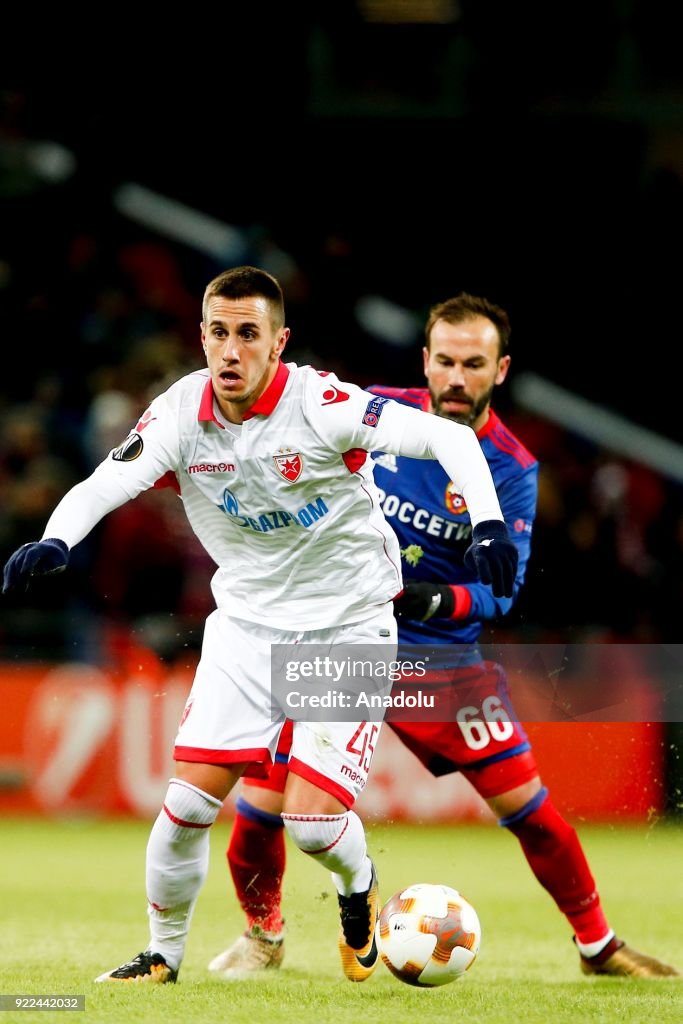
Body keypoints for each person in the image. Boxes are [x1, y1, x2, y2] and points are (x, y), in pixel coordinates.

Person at [1, 267, 519, 985]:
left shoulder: (323, 404)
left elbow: (449, 441)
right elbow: (103, 484)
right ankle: (162, 957)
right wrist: (56, 540)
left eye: (248, 334)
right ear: (202, 337)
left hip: (346, 626)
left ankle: (357, 886)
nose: (231, 350)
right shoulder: (181, 413)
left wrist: (488, 526)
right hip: (246, 628)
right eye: (218, 332)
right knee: (183, 807)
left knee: (309, 827)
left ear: (279, 342)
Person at [208, 291, 679, 981]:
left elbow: (502, 591)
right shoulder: (374, 412)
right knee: (256, 807)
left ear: (501, 369)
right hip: (339, 644)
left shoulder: (511, 467)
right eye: (446, 362)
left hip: (439, 662)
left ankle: (598, 947)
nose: (457, 378)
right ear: (424, 361)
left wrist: (424, 594)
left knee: (529, 809)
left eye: (474, 364)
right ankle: (263, 935)